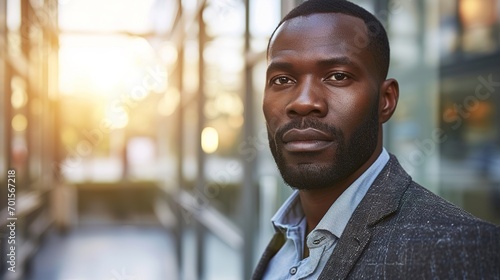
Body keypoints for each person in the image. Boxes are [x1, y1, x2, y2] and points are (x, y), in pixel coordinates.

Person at [252, 0, 500, 279]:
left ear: (385, 101)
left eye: (337, 76)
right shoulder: (282, 240)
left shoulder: (461, 249)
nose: (304, 102)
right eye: (282, 80)